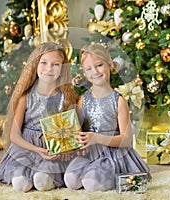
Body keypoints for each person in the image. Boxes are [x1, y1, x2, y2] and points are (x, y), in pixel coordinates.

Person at [64, 43, 150, 192]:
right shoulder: (83, 99)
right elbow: (78, 130)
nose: (95, 72)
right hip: (90, 153)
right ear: (84, 72)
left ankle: (103, 176)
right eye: (88, 69)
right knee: (70, 180)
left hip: (112, 154)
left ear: (109, 65)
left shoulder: (118, 101)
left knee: (91, 182)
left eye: (99, 65)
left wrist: (97, 138)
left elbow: (126, 140)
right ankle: (89, 172)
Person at [0, 42, 77, 192]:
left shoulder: (66, 98)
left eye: (55, 64)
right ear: (35, 65)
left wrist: (62, 150)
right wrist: (36, 150)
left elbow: (68, 132)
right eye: (44, 63)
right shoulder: (26, 97)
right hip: (25, 148)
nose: (49, 69)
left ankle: (46, 177)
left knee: (42, 181)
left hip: (51, 150)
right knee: (20, 184)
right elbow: (14, 135)